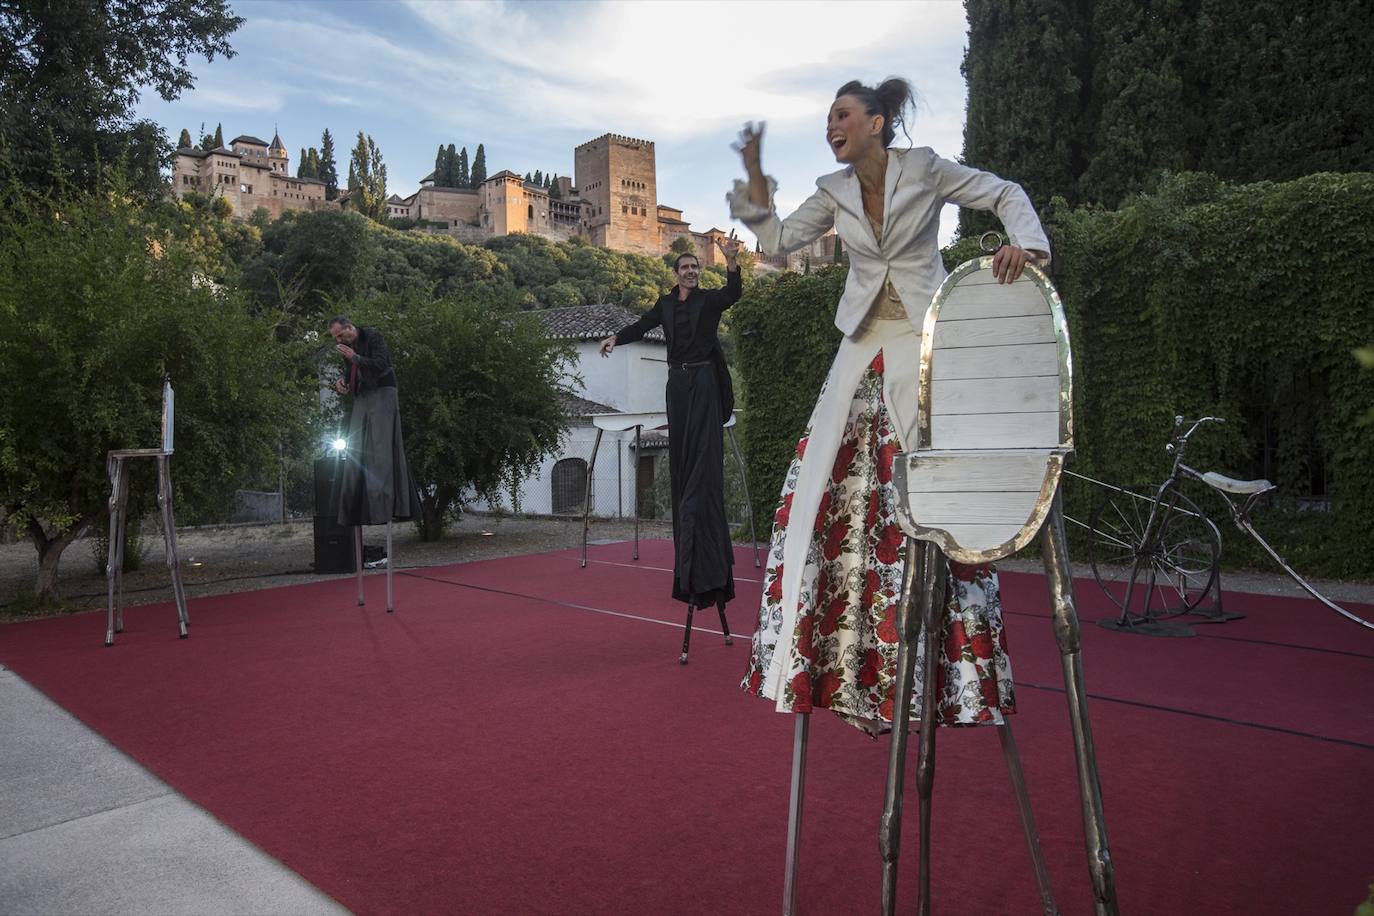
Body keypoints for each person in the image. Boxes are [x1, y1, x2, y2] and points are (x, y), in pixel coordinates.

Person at [729, 78, 1050, 733]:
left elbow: (1003, 194)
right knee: (819, 479)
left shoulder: (925, 168)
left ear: (877, 121)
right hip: (860, 341)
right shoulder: (834, 191)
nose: (831, 126)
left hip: (921, 336)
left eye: (842, 115)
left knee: (928, 483)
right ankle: (818, 646)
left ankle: (949, 659)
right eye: (826, 118)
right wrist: (756, 175)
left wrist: (1028, 247)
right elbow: (780, 241)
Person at [599, 235, 744, 637]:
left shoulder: (709, 301)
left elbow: (734, 292)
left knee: (703, 462)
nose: (692, 273)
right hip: (677, 386)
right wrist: (615, 338)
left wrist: (731, 261)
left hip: (705, 381)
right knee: (682, 460)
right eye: (686, 269)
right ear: (676, 274)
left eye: (696, 268)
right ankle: (689, 539)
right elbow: (642, 324)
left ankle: (706, 534)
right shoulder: (664, 305)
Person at [328, 316, 419, 526]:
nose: (338, 340)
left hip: (383, 390)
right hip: (363, 394)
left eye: (340, 335)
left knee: (381, 447)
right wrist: (343, 383)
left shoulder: (373, 337)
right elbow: (350, 371)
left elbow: (381, 364)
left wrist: (355, 357)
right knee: (357, 447)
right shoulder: (346, 346)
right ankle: (357, 508)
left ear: (350, 327)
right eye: (335, 337)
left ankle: (386, 506)